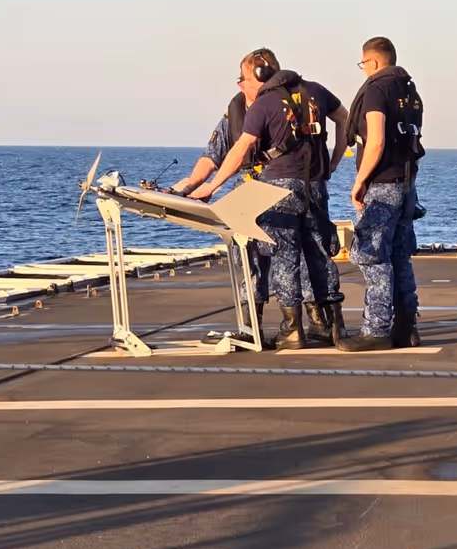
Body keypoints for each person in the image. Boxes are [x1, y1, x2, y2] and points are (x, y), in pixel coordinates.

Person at [169, 62, 347, 345]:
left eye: (243, 78)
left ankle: (314, 323)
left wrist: (212, 187)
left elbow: (240, 149)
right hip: (255, 190)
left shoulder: (270, 103)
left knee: (299, 254)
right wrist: (190, 185)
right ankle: (253, 325)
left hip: (279, 189)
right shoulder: (237, 111)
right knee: (252, 258)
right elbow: (213, 154)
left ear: (263, 77)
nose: (239, 84)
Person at [337, 36, 424, 352]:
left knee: (372, 256)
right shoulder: (410, 91)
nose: (363, 69)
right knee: (400, 255)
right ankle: (406, 327)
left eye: (363, 64)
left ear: (372, 61)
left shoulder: (376, 90)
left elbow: (375, 141)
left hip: (382, 185)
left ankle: (376, 330)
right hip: (406, 184)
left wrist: (360, 181)